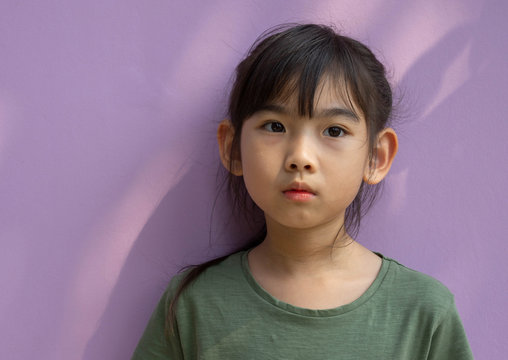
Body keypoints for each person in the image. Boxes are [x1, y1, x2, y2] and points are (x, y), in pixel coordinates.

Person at [132, 24, 473, 359]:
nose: (300, 158)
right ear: (233, 148)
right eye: (275, 126)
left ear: (376, 157)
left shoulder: (424, 312)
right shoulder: (194, 304)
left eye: (334, 131)